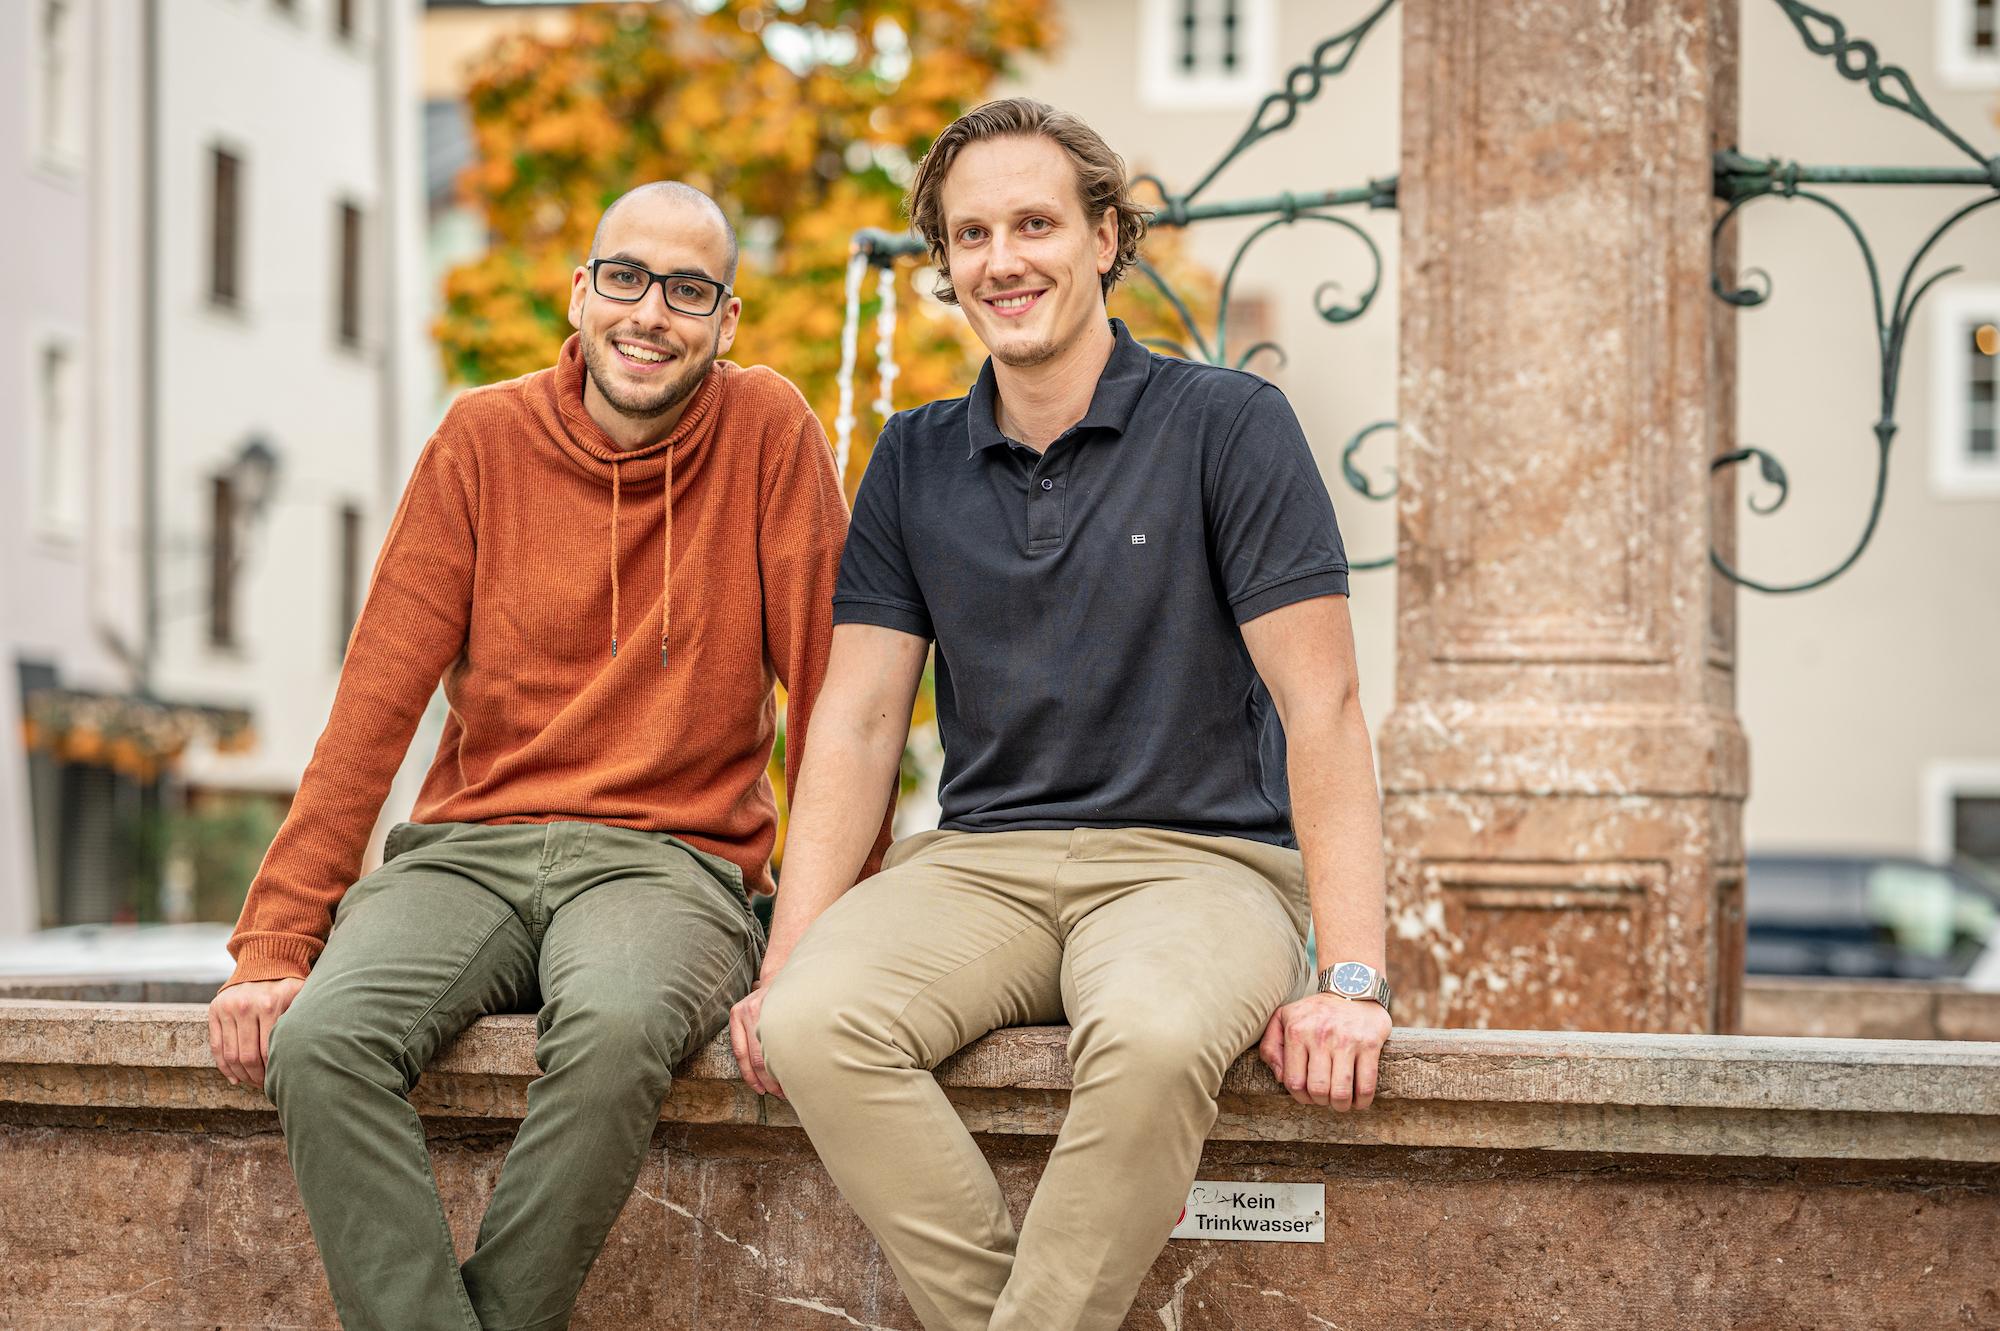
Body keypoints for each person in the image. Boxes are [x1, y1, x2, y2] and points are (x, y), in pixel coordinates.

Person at [732, 100, 1393, 1331]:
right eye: (970, 234)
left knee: (1145, 1041)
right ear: (944, 268)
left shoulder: (1226, 424)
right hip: (982, 866)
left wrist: (1349, 974)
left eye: (1033, 222)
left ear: (1105, 237)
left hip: (1200, 866)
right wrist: (787, 954)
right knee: (819, 1022)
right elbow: (858, 723)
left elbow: (1326, 705)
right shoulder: (914, 457)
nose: (1002, 260)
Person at [207, 181, 886, 1331]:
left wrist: (817, 941)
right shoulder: (480, 437)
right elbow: (374, 701)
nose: (648, 313)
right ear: (580, 294)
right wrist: (276, 935)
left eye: (686, 290)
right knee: (320, 1040)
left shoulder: (772, 430)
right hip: (466, 851)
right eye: (624, 277)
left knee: (617, 1029)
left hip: (668, 864)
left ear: (726, 321)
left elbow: (839, 708)